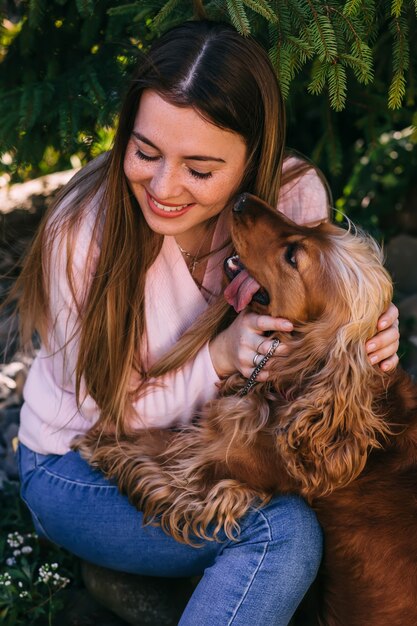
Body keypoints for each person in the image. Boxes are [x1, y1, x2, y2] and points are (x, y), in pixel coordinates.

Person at [15, 20, 399, 626]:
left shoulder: (292, 202)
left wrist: (370, 330)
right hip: (78, 462)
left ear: (253, 161)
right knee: (282, 535)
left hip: (216, 455)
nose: (164, 187)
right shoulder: (82, 236)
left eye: (199, 169)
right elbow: (110, 420)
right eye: (144, 153)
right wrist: (219, 358)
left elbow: (320, 331)